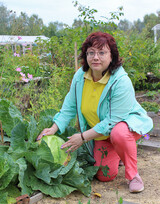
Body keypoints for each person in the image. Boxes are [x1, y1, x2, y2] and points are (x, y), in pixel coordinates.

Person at [37, 31, 153, 193]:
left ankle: (133, 175)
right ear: (86, 56)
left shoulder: (121, 82)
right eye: (91, 53)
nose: (95, 57)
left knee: (118, 133)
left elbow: (112, 122)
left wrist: (83, 137)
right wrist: (54, 128)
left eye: (102, 52)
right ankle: (119, 152)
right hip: (99, 133)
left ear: (112, 56)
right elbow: (70, 105)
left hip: (125, 126)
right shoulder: (80, 76)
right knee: (105, 175)